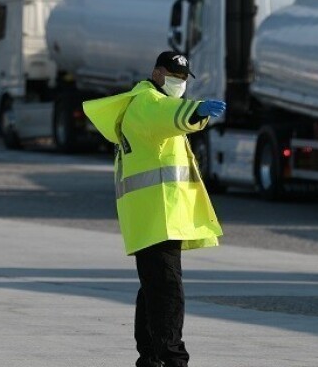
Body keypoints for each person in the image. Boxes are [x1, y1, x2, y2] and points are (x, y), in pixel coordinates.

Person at [83, 51, 226, 367]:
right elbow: (166, 113)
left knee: (153, 288)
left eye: (184, 78)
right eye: (174, 76)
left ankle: (150, 357)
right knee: (167, 290)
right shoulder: (146, 102)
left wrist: (191, 111)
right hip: (157, 214)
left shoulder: (146, 102)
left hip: (153, 215)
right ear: (157, 73)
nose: (180, 83)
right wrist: (195, 110)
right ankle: (173, 359)